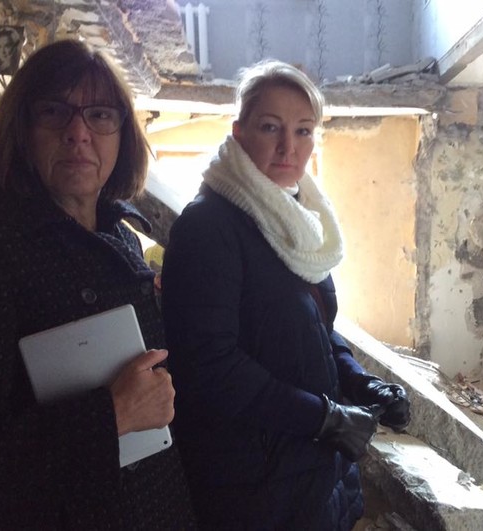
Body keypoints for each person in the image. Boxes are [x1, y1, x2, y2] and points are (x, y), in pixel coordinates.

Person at [0, 39, 196, 530]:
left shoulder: (122, 239)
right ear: (21, 129)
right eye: (54, 112)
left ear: (122, 135)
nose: (78, 133)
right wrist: (111, 415)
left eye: (100, 115)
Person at [160, 59, 411, 530]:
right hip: (252, 487)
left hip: (311, 474)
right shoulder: (209, 227)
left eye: (303, 131)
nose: (288, 147)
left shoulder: (297, 222)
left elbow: (319, 329)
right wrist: (325, 418)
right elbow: (208, 366)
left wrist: (361, 382)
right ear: (239, 132)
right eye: (270, 127)